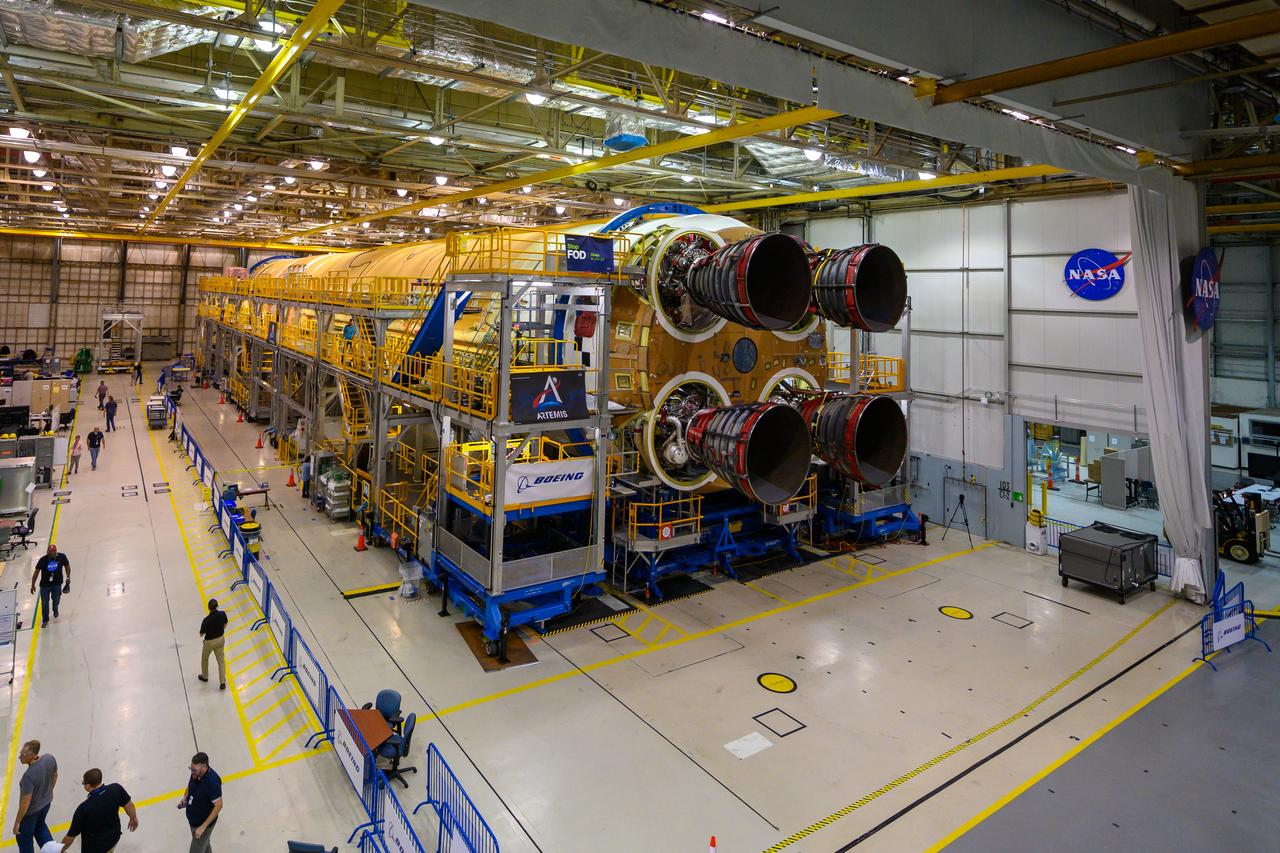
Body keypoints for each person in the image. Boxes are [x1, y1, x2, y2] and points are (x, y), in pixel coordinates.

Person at [61, 768, 137, 853]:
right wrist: (133, 818)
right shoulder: (116, 789)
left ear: (88, 786)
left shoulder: (83, 809)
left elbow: (70, 837)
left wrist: (60, 850)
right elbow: (129, 805)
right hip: (113, 839)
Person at [12, 740, 57, 853]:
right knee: (40, 827)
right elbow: (55, 775)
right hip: (46, 804)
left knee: (24, 838)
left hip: (31, 813)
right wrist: (49, 791)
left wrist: (17, 822)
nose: (19, 757)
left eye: (23, 755)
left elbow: (25, 802)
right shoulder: (49, 759)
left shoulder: (28, 776)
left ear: (32, 755)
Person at [178, 753, 221, 853]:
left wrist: (203, 827)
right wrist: (186, 796)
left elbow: (219, 805)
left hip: (203, 825)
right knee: (204, 846)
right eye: (191, 768)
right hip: (194, 822)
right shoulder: (195, 773)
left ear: (204, 766)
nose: (192, 772)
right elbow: (190, 785)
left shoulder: (212, 782)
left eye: (194, 770)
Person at [30, 545, 71, 628]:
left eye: (54, 551)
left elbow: (67, 566)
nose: (52, 553)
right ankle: (45, 620)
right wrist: (33, 585)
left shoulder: (62, 557)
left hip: (57, 584)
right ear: (48, 552)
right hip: (45, 586)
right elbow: (36, 572)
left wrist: (68, 577)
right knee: (45, 603)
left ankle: (55, 609)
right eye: (51, 552)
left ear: (56, 551)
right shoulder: (42, 560)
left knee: (56, 599)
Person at [197, 600, 228, 690]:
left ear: (209, 608)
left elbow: (201, 634)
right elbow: (225, 623)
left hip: (209, 642)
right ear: (217, 606)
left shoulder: (206, 620)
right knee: (221, 661)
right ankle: (222, 681)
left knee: (205, 659)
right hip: (220, 640)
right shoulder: (222, 614)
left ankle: (205, 676)